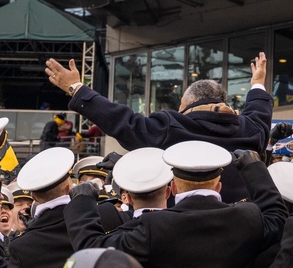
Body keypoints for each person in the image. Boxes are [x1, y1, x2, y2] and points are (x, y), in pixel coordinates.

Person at [45, 52, 272, 203]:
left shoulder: (172, 127)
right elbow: (259, 110)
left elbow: (123, 121)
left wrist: (76, 88)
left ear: (190, 104)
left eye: (181, 107)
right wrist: (257, 83)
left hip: (182, 233)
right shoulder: (250, 129)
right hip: (246, 232)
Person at [66, 141, 286, 267]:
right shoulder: (246, 217)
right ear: (218, 187)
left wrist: (83, 201)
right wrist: (253, 168)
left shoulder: (153, 226)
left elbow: (92, 248)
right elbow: (277, 216)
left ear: (175, 187)